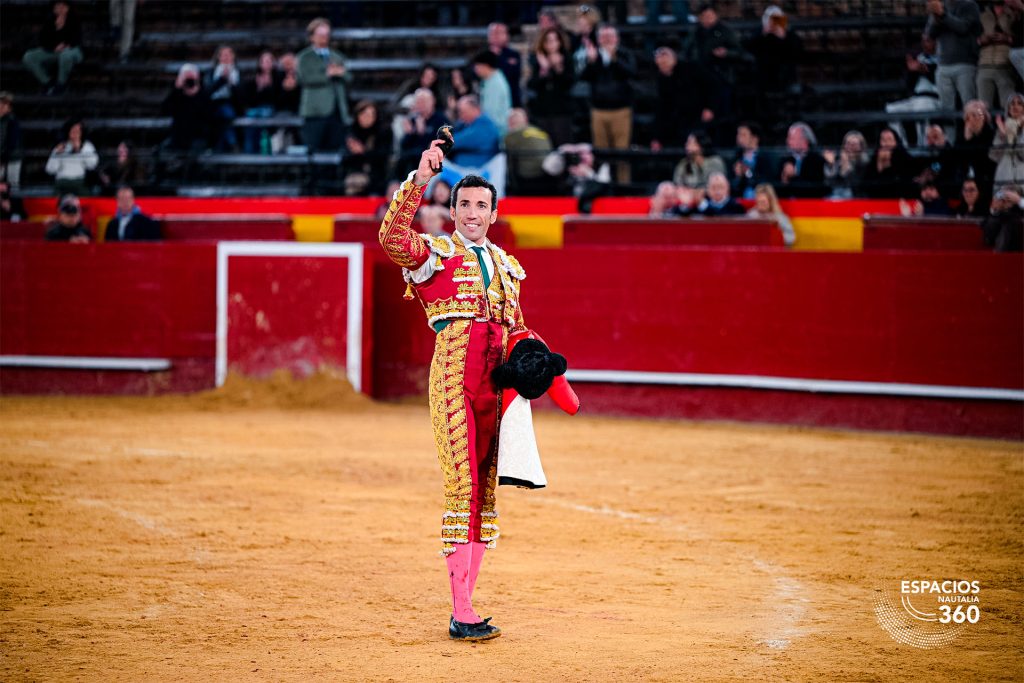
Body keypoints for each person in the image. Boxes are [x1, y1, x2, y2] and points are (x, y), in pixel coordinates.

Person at [377, 139, 530, 643]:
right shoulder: (435, 253)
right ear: (453, 208)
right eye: (464, 204)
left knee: (485, 495)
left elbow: (517, 331)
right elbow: (391, 238)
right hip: (453, 381)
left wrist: (534, 361)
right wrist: (420, 178)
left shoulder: (508, 267)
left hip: (496, 387)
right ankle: (461, 609)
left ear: (493, 212)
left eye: (480, 205)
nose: (471, 213)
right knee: (461, 487)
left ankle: (467, 602)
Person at [580, 24, 636, 184]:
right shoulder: (593, 56)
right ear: (598, 39)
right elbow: (583, 78)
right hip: (598, 111)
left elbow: (631, 73)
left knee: (622, 153)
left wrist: (614, 59)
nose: (607, 40)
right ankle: (603, 186)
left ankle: (623, 187)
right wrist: (591, 62)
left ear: (617, 38)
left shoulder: (625, 54)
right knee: (601, 152)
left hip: (621, 110)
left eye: (610, 37)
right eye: (603, 37)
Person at [683, 3, 744, 135]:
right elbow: (686, 52)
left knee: (722, 113)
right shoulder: (695, 33)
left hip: (722, 77)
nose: (708, 19)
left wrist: (726, 53)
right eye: (704, 16)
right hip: (700, 81)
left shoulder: (725, 31)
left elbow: (740, 52)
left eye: (710, 15)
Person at [297, 17, 351, 152]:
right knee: (315, 151)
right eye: (320, 35)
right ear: (312, 37)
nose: (324, 38)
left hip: (336, 111)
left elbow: (349, 76)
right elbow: (304, 78)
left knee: (335, 150)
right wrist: (328, 74)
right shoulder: (304, 57)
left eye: (326, 35)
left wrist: (341, 73)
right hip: (315, 112)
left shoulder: (337, 56)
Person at [744, 5, 802, 128]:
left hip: (785, 76)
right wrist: (763, 34)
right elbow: (748, 48)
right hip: (763, 76)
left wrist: (783, 36)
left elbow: (797, 52)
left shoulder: (790, 34)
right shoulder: (759, 33)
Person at [436, 95, 505, 197]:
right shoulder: (466, 124)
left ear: (475, 109)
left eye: (463, 112)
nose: (461, 115)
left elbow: (455, 141)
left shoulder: (485, 125)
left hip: (478, 172)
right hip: (460, 171)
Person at [650, 46, 713, 153]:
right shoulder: (661, 80)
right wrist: (657, 137)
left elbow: (711, 86)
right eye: (660, 63)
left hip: (696, 117)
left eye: (665, 60)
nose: (663, 64)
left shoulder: (691, 69)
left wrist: (710, 107)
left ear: (674, 59)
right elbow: (661, 108)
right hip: (676, 123)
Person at [925, 0, 982, 112]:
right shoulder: (940, 6)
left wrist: (943, 14)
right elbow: (930, 34)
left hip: (965, 64)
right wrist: (936, 17)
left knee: (970, 106)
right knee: (946, 110)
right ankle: (948, 130)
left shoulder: (970, 5)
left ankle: (972, 130)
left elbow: (963, 27)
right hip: (942, 65)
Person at [885, 34, 941, 148]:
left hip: (933, 98)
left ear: (936, 42)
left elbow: (940, 81)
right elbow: (908, 86)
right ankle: (902, 146)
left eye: (929, 41)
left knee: (922, 106)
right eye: (924, 41)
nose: (925, 44)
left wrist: (926, 70)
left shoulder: (942, 58)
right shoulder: (919, 58)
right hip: (916, 97)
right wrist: (913, 71)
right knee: (890, 109)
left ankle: (923, 146)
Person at [526, 27, 575, 148]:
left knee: (563, 146)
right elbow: (531, 85)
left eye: (554, 40)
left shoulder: (567, 59)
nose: (551, 44)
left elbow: (569, 83)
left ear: (560, 42)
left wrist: (558, 68)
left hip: (561, 112)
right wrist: (544, 70)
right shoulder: (537, 60)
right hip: (542, 112)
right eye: (548, 41)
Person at [22, 1, 83, 96]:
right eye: (58, 7)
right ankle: (48, 83)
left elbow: (76, 39)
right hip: (54, 50)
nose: (61, 9)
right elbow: (43, 40)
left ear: (68, 8)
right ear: (54, 9)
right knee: (29, 56)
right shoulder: (50, 20)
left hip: (72, 50)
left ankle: (61, 85)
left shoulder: (74, 19)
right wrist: (56, 36)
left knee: (65, 55)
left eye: (63, 6)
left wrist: (65, 44)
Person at [342, 100, 393, 196]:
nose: (368, 118)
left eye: (371, 115)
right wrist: (352, 152)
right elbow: (344, 157)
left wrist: (363, 151)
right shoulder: (351, 131)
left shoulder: (383, 131)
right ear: (358, 116)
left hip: (377, 175)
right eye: (364, 114)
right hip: (354, 172)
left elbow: (383, 156)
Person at [976, 0, 1019, 110]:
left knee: (1009, 107)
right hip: (984, 65)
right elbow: (972, 39)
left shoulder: (1014, 13)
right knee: (983, 108)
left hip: (1005, 65)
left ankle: (1009, 127)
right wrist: (981, 40)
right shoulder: (982, 14)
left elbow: (1021, 37)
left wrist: (1008, 39)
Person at [162, 63, 210, 153]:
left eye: (191, 77)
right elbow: (165, 110)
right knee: (162, 152)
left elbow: (206, 115)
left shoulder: (204, 94)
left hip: (198, 137)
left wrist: (196, 93)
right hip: (178, 136)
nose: (189, 80)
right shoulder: (177, 94)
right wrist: (177, 90)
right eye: (186, 77)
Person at [504, 108, 553, 195]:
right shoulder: (540, 131)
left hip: (528, 177)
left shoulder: (512, 134)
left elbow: (508, 159)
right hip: (548, 174)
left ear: (511, 122)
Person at [45, 118, 98, 197]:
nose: (75, 133)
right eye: (73, 130)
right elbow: (50, 170)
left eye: (78, 130)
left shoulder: (87, 146)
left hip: (79, 182)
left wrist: (80, 149)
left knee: (86, 199)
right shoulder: (61, 146)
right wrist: (57, 154)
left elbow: (92, 165)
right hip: (62, 182)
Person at [398, 88, 449, 170]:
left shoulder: (442, 120)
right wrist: (411, 133)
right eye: (418, 102)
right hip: (411, 161)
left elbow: (439, 145)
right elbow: (403, 146)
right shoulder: (413, 119)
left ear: (432, 102)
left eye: (424, 101)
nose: (421, 104)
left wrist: (422, 133)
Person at [952, 99, 996, 191]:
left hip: (985, 178)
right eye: (969, 116)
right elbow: (957, 159)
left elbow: (985, 159)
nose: (972, 119)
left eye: (976, 115)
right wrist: (967, 138)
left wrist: (971, 139)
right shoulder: (961, 135)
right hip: (964, 180)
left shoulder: (990, 133)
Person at [241, 49, 279, 154]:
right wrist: (260, 88)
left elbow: (278, 99)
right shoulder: (252, 79)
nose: (267, 64)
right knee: (251, 117)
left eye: (269, 61)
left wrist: (270, 87)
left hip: (270, 108)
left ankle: (265, 152)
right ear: (260, 63)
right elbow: (249, 100)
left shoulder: (278, 77)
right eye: (264, 61)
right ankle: (249, 152)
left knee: (265, 114)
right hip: (255, 108)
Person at [861, 127, 917, 199]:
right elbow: (866, 186)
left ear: (896, 142)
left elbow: (905, 183)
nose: (886, 143)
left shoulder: (906, 158)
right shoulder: (874, 159)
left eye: (889, 139)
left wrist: (888, 165)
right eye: (883, 140)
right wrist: (880, 165)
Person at [205, 45, 241, 152]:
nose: (226, 57)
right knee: (218, 115)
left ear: (233, 57)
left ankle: (220, 146)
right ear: (218, 57)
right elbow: (207, 91)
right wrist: (222, 79)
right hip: (213, 104)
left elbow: (240, 96)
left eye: (229, 54)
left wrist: (231, 84)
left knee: (225, 112)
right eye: (223, 55)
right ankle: (232, 143)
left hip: (230, 103)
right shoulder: (211, 72)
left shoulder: (238, 73)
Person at [777, 122, 827, 198]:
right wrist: (784, 179)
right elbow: (777, 190)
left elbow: (816, 190)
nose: (787, 141)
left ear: (804, 140)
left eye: (791, 138)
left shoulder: (817, 160)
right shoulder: (784, 160)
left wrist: (794, 176)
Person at [471, 51, 512, 137]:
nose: (475, 70)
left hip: (496, 132)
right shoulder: (489, 80)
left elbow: (491, 113)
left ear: (485, 65)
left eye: (477, 66)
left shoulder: (495, 83)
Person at [731, 122, 775, 199]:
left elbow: (767, 181)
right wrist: (738, 176)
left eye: (743, 135)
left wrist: (748, 173)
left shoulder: (765, 157)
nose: (739, 138)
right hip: (740, 198)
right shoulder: (736, 158)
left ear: (755, 138)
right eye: (738, 134)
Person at [673, 171, 745, 217]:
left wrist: (703, 205)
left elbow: (719, 217)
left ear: (727, 189)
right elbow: (681, 215)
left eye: (720, 187)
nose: (717, 190)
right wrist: (686, 204)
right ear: (708, 190)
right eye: (713, 187)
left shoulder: (736, 206)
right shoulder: (700, 204)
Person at [991, 92, 1024, 190]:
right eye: (1012, 104)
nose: (1015, 106)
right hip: (1004, 177)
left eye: (1019, 103)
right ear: (1008, 109)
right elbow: (994, 156)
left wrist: (1019, 131)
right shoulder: (1002, 128)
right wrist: (1003, 136)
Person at [823, 130, 870, 198]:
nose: (850, 147)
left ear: (861, 147)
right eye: (848, 143)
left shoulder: (865, 163)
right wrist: (831, 165)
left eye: (854, 144)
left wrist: (846, 167)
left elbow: (856, 186)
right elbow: (829, 184)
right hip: (837, 197)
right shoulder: (838, 160)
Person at [486, 22, 523, 108]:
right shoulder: (482, 56)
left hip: (511, 101)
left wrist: (498, 57)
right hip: (490, 100)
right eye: (493, 33)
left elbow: (511, 73)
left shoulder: (513, 55)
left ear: (507, 35)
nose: (495, 36)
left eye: (499, 33)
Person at [981, 185, 1024, 250]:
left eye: (1010, 197)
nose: (1006, 199)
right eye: (1004, 196)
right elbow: (988, 238)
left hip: (1016, 248)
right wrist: (995, 210)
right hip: (995, 246)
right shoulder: (995, 214)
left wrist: (1019, 200)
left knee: (1012, 222)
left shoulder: (1019, 212)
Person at [0, 92, 23, 192]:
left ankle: (13, 206)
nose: (3, 106)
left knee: (13, 188)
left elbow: (12, 143)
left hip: (12, 158)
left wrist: (3, 159)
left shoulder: (12, 121)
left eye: (6, 104)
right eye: (2, 103)